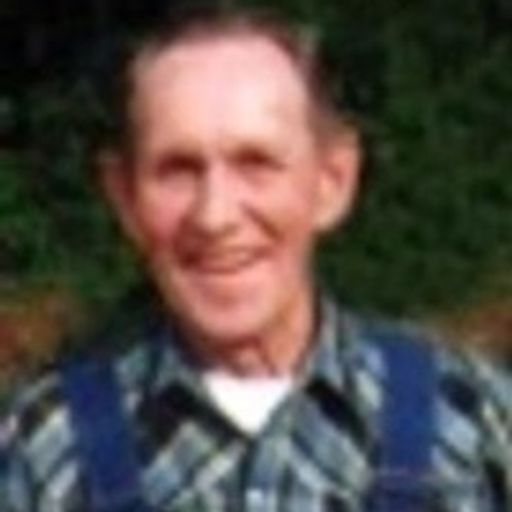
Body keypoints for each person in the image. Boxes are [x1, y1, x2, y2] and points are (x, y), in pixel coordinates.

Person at [1, 7, 511, 512]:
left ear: (332, 182)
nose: (214, 215)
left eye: (256, 163)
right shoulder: (44, 451)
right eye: (177, 169)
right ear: (124, 197)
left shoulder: (472, 425)